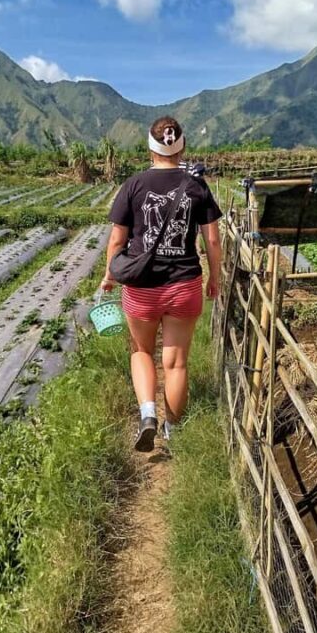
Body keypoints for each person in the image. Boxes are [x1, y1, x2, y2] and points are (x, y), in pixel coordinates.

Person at [102, 116, 222, 452]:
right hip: (184, 284)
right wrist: (216, 277)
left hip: (141, 286)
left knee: (141, 350)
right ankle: (172, 430)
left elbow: (116, 240)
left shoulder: (134, 185)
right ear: (181, 146)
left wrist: (109, 276)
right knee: (176, 362)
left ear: (150, 147)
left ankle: (147, 415)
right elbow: (212, 241)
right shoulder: (197, 186)